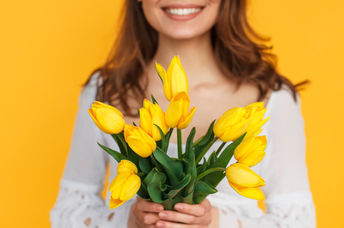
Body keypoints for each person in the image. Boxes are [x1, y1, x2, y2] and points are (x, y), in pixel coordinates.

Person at [50, 0, 317, 227]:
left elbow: (298, 221)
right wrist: (128, 220)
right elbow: (66, 212)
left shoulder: (273, 96)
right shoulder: (104, 91)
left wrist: (214, 220)